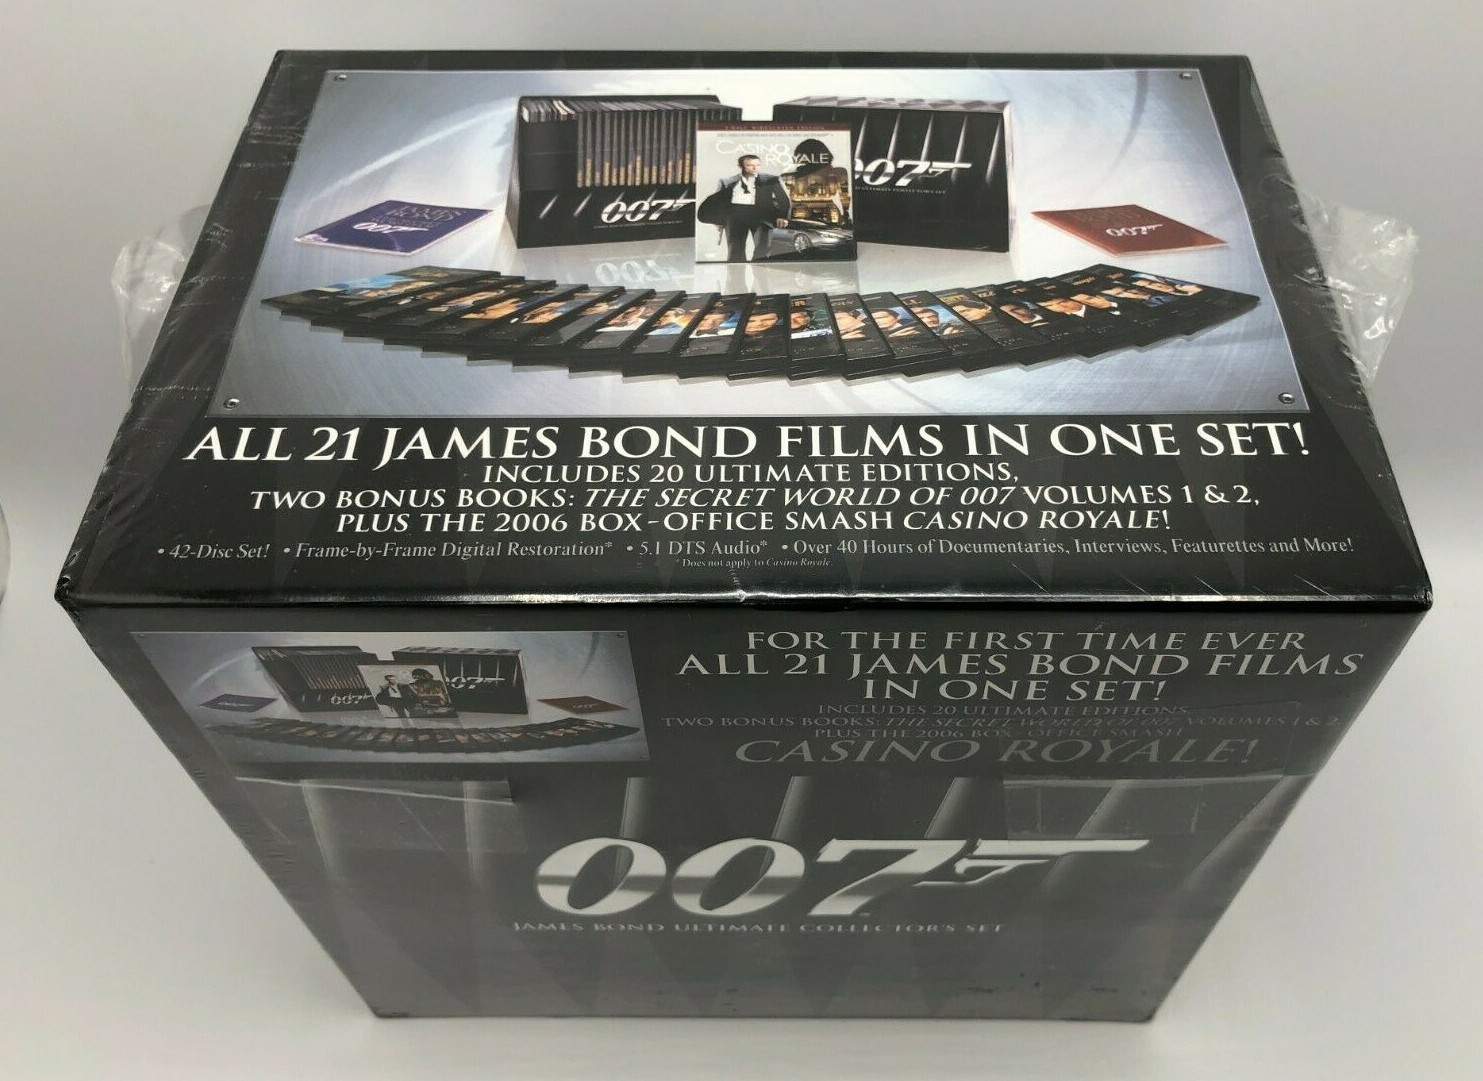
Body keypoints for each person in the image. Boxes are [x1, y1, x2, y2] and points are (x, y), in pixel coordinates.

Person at [707, 154, 791, 262]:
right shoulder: (727, 181)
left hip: (762, 217)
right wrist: (718, 220)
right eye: (750, 165)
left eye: (757, 165)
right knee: (735, 251)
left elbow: (783, 199)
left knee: (763, 248)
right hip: (735, 217)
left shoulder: (771, 179)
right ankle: (736, 272)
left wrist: (783, 216)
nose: (755, 168)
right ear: (741, 166)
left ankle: (759, 270)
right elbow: (719, 203)